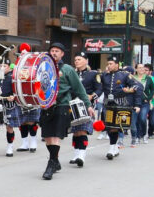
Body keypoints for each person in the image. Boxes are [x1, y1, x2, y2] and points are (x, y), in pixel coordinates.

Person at [40, 43, 92, 180]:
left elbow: (79, 88)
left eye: (57, 51)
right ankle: (55, 161)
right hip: (46, 106)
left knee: (56, 136)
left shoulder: (68, 69)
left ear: (62, 54)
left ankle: (51, 164)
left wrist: (88, 105)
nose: (54, 53)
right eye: (52, 50)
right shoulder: (43, 67)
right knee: (48, 137)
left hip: (62, 105)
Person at [101, 56, 142, 160]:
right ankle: (114, 147)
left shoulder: (125, 75)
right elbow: (98, 88)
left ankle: (111, 148)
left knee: (115, 127)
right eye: (108, 64)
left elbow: (137, 86)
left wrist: (137, 104)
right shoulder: (104, 75)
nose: (109, 66)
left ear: (117, 64)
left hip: (120, 104)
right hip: (107, 104)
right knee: (109, 127)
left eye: (111, 64)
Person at [70, 52, 101, 166]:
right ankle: (76, 154)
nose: (76, 61)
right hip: (72, 104)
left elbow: (99, 89)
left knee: (82, 130)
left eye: (79, 59)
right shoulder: (71, 73)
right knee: (75, 131)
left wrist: (92, 96)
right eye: (76, 59)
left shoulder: (93, 74)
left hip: (86, 105)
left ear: (86, 61)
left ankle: (82, 156)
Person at [16, 43, 40, 152]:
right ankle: (24, 143)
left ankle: (33, 141)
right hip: (21, 95)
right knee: (23, 121)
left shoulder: (34, 64)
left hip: (32, 95)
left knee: (32, 121)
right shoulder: (17, 65)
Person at [134, 63, 154, 143]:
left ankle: (144, 134)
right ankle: (138, 136)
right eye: (140, 68)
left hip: (145, 103)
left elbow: (153, 89)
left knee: (142, 118)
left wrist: (149, 98)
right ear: (136, 69)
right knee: (137, 120)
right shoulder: (133, 78)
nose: (142, 69)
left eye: (143, 68)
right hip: (135, 102)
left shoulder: (148, 79)